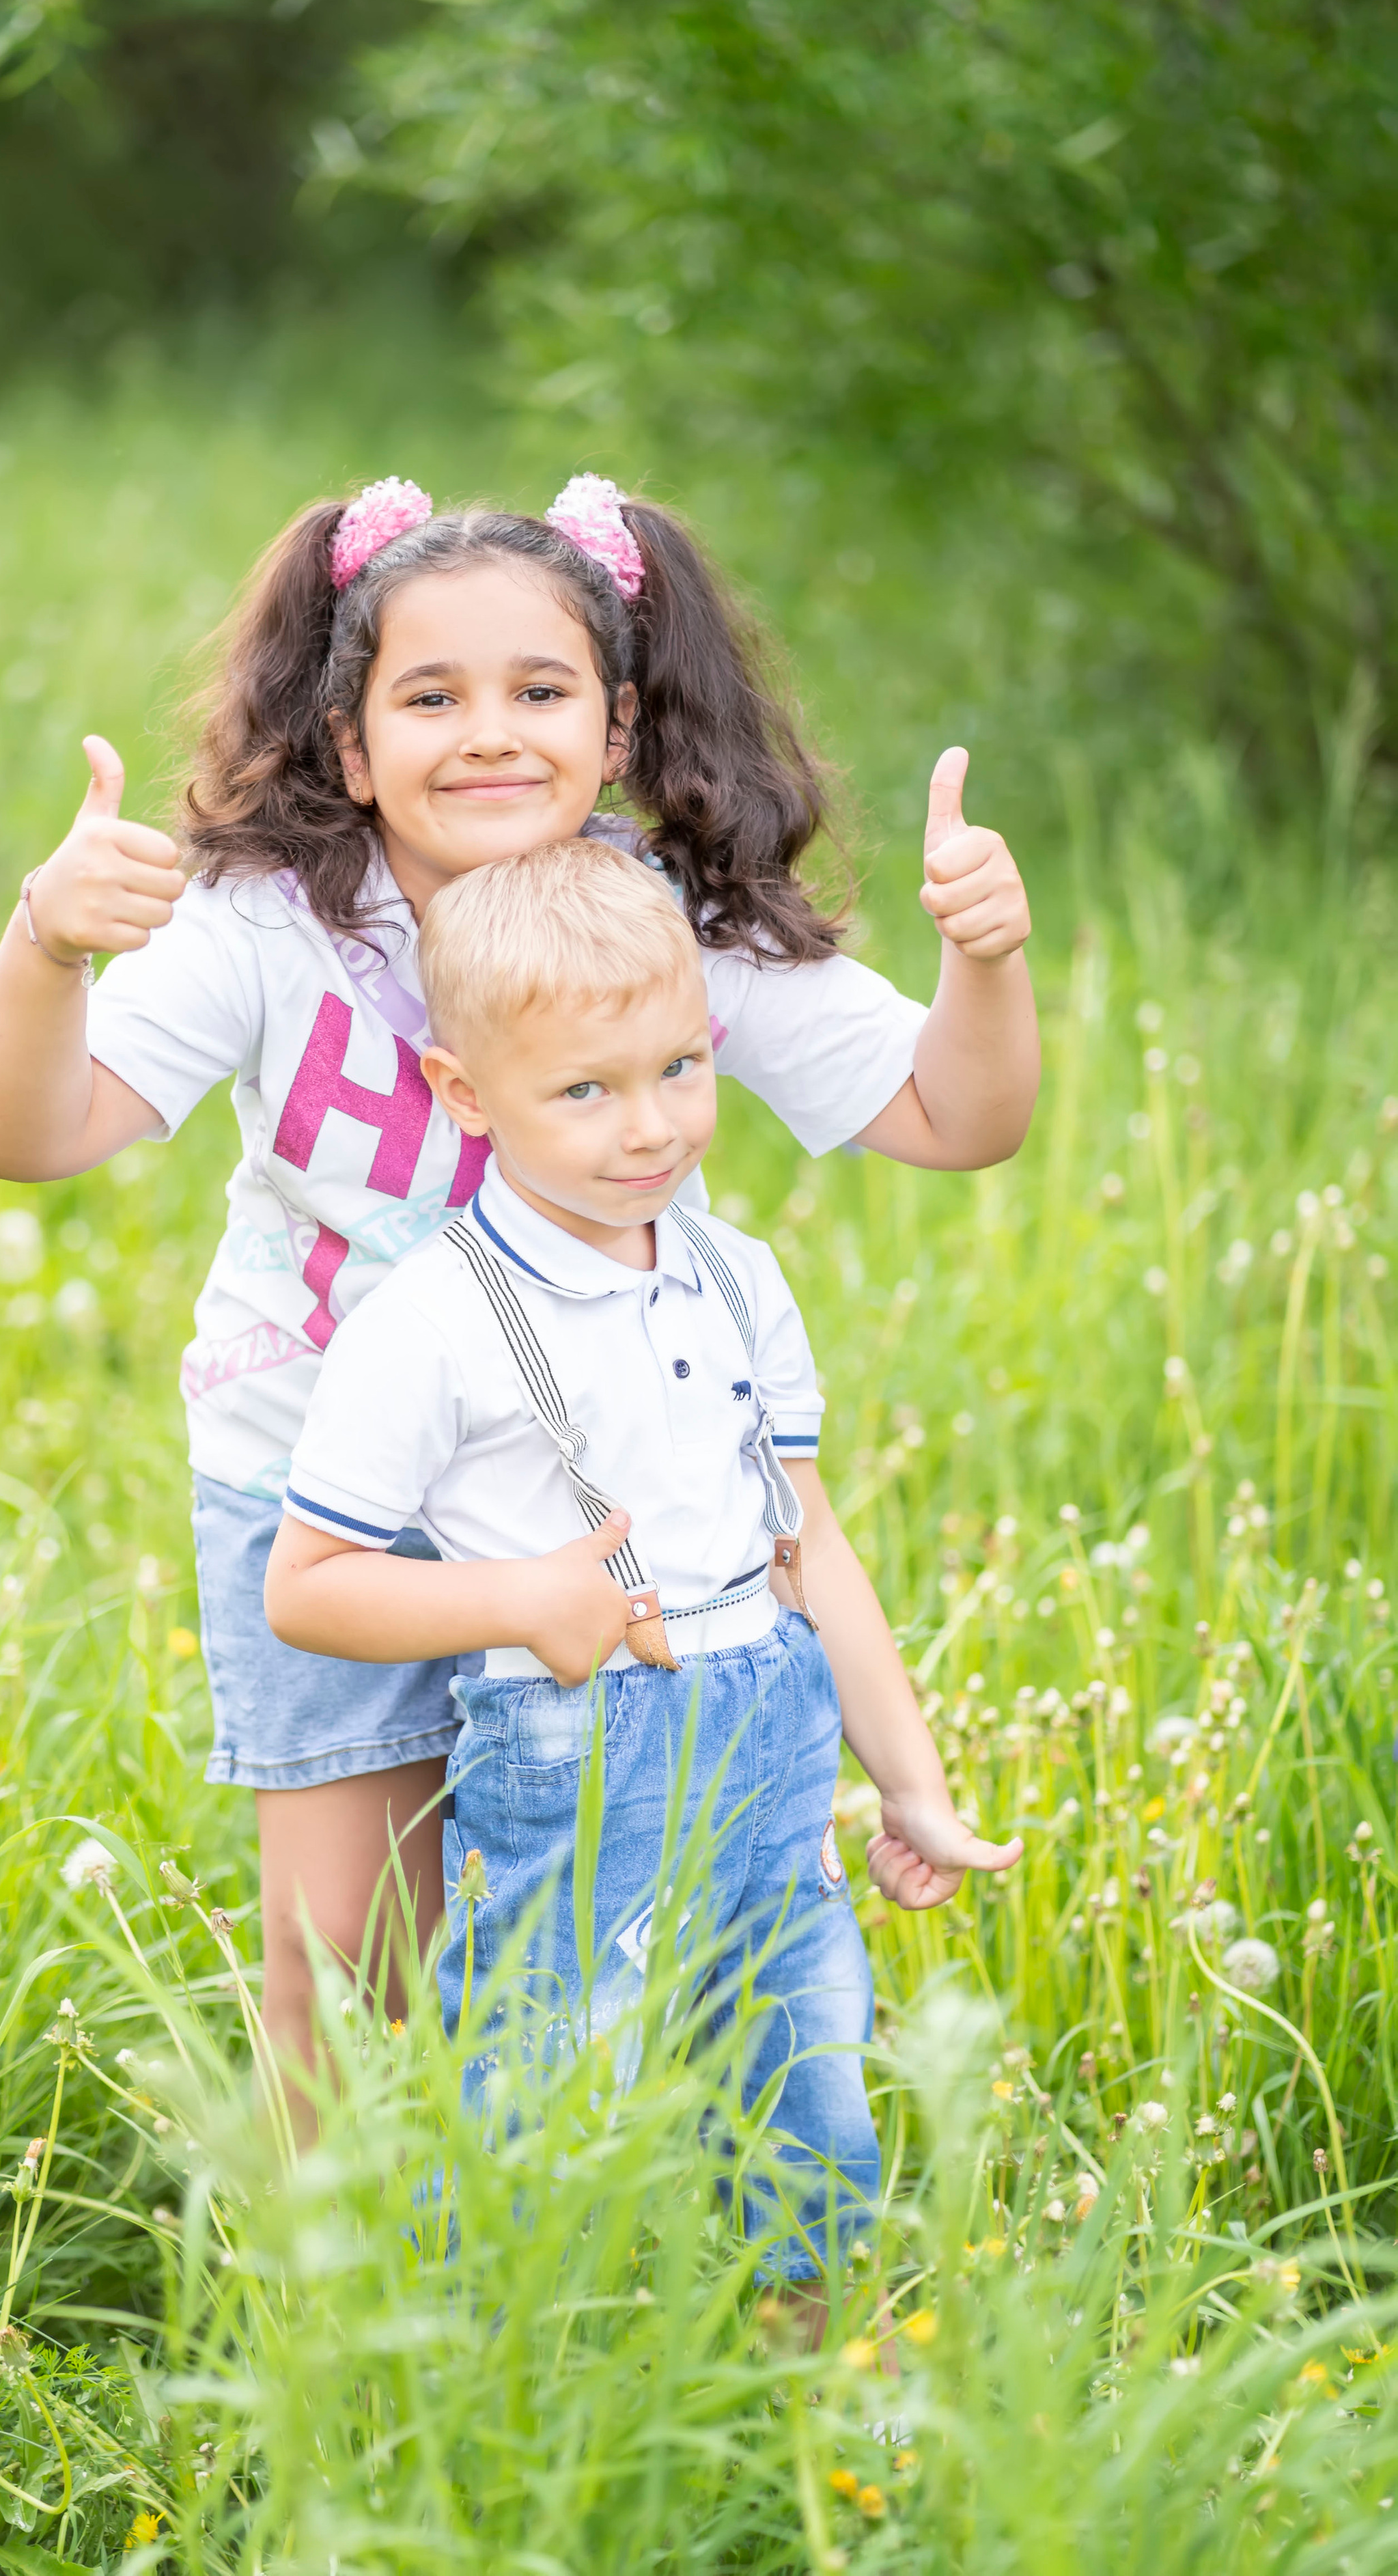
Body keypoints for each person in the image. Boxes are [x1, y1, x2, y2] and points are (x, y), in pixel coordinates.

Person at [0, 471, 1036, 2095]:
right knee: (347, 1967)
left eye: (539, 691)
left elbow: (958, 1115)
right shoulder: (270, 927)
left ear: (613, 728)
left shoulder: (661, 925)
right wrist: (44, 948)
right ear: (348, 743)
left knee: (616, 1958)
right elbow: (30, 1135)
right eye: (429, 696)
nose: (488, 733)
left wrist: (985, 961)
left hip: (599, 1512)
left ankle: (581, 2267)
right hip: (327, 1501)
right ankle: (334, 2323)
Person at [264, 836, 1022, 2271]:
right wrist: (520, 1599)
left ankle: (810, 2422)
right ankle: (507, 2402)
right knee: (541, 2113)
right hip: (579, 1769)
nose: (649, 1129)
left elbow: (805, 1544)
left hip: (773, 1756)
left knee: (809, 2113)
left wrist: (906, 1784)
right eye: (584, 1092)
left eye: (680, 1068)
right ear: (463, 1096)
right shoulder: (430, 1320)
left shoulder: (735, 1272)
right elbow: (302, 1589)